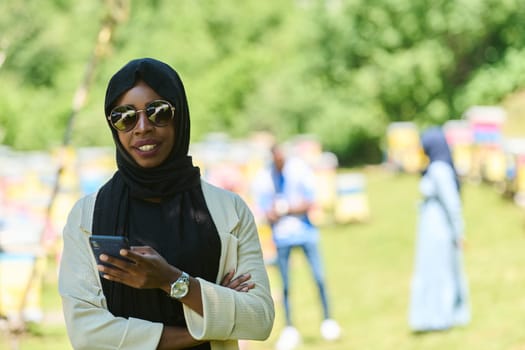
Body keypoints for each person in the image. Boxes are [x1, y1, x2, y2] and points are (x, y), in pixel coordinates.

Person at [58, 57, 274, 350]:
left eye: (158, 112)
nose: (142, 127)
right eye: (125, 117)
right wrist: (208, 321)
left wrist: (172, 280)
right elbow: (87, 333)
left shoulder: (229, 211)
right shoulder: (87, 216)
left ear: (179, 114)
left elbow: (259, 318)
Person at [253, 144, 340, 350]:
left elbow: (310, 201)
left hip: (305, 233)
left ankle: (328, 321)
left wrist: (286, 209)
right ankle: (290, 328)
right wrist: (273, 213)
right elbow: (263, 209)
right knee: (285, 285)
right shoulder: (264, 177)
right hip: (282, 237)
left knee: (318, 278)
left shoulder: (299, 170)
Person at [409, 126, 470, 332]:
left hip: (439, 231)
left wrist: (459, 232)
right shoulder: (436, 167)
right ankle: (435, 316)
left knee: (440, 272)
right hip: (432, 229)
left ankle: (441, 317)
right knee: (434, 271)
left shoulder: (439, 170)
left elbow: (452, 204)